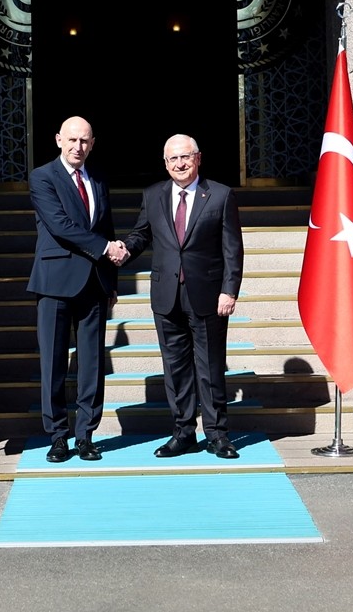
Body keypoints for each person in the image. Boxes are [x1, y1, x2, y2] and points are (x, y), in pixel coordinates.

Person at [121, 135, 244, 459]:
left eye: (185, 157)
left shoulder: (220, 195)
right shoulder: (153, 195)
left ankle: (218, 435)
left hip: (207, 295)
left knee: (210, 367)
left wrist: (229, 290)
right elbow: (141, 234)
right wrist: (124, 250)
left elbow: (232, 249)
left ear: (198, 158)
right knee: (175, 370)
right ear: (165, 163)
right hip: (166, 297)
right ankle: (184, 432)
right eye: (173, 159)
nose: (179, 164)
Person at [27, 116, 123, 463]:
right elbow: (61, 226)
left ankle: (85, 435)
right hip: (54, 282)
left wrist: (111, 280)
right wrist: (105, 248)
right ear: (57, 140)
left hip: (94, 283)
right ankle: (57, 436)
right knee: (53, 362)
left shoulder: (97, 178)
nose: (77, 146)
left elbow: (107, 225)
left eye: (84, 141)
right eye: (71, 140)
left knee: (92, 364)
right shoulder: (42, 177)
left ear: (92, 143)